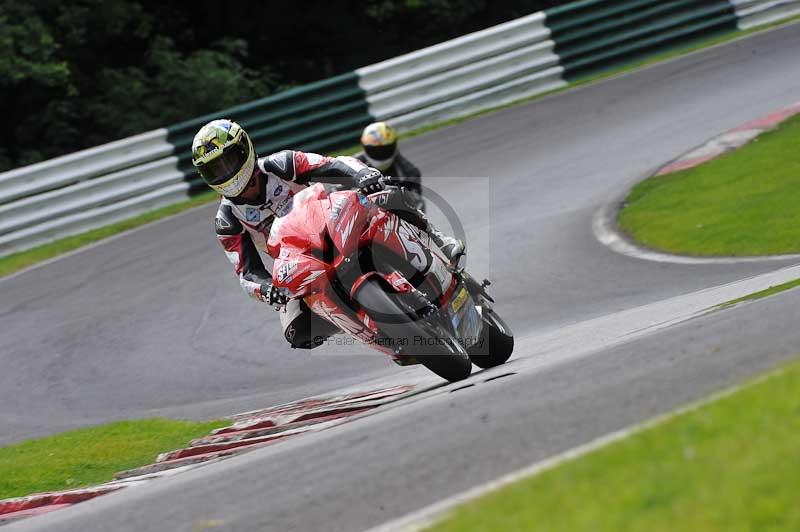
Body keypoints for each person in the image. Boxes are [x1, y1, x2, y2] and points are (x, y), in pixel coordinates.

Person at [191, 119, 464, 349]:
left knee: (385, 194)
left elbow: (332, 165)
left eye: (228, 162)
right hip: (298, 258)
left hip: (334, 218)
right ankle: (371, 325)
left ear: (244, 150)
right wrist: (267, 290)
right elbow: (246, 272)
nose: (226, 172)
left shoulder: (282, 164)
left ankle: (440, 241)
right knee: (297, 332)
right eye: (215, 169)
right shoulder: (227, 220)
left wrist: (364, 176)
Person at [356, 122, 425, 211]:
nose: (380, 153)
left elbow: (416, 202)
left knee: (419, 202)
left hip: (395, 214)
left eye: (385, 149)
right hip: (359, 211)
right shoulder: (352, 163)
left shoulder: (409, 172)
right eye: (375, 150)